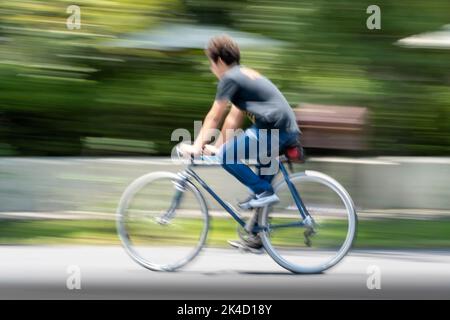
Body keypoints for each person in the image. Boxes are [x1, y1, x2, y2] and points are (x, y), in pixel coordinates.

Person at [180, 35, 301, 251]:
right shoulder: (244, 75)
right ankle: (257, 236)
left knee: (229, 160)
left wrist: (197, 146)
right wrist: (216, 146)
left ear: (218, 61)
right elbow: (233, 118)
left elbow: (214, 116)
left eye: (211, 64)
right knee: (258, 188)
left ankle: (264, 193)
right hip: (283, 129)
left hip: (274, 129)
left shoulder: (230, 78)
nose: (211, 69)